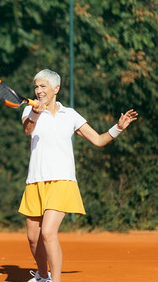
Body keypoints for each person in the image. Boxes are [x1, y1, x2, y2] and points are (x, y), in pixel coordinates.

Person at [18, 69, 137, 282]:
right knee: (33, 239)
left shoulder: (70, 115)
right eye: (36, 87)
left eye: (43, 86)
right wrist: (36, 111)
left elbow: (99, 140)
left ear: (56, 88)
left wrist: (118, 128)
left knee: (47, 233)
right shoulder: (29, 110)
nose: (38, 90)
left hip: (62, 181)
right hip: (35, 181)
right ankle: (43, 276)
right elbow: (28, 129)